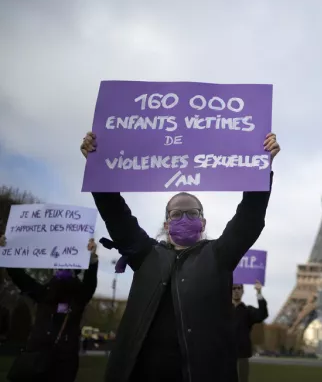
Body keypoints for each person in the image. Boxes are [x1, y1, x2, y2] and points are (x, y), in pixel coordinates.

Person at [80, 131, 280, 382]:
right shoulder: (145, 253)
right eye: (176, 214)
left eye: (192, 214)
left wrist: (260, 170)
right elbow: (116, 215)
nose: (184, 218)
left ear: (203, 221)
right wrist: (97, 166)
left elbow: (249, 219)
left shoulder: (218, 255)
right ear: (166, 224)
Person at [0, 235, 98, 382]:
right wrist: (5, 251)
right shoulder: (45, 293)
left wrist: (92, 259)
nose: (61, 273)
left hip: (59, 362)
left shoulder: (76, 297)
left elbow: (90, 283)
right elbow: (20, 277)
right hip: (43, 359)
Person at [232, 280, 268, 382]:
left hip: (241, 355)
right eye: (233, 288)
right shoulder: (223, 311)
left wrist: (259, 293)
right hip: (225, 354)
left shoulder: (248, 311)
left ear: (243, 291)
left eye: (239, 288)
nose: (236, 291)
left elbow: (262, 314)